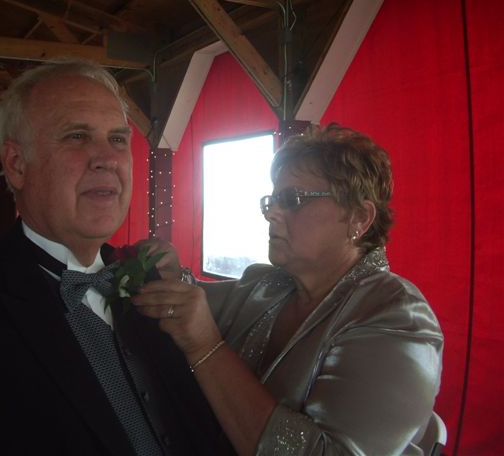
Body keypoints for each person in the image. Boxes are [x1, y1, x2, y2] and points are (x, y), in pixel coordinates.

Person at [0, 60, 221, 455]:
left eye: (118, 139)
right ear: (17, 165)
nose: (107, 158)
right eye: (77, 136)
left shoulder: (156, 288)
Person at [134, 123, 444, 455]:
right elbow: (196, 300)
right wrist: (172, 274)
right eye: (272, 201)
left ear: (358, 217)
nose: (272, 214)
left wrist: (207, 349)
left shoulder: (396, 317)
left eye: (293, 200)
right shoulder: (268, 284)